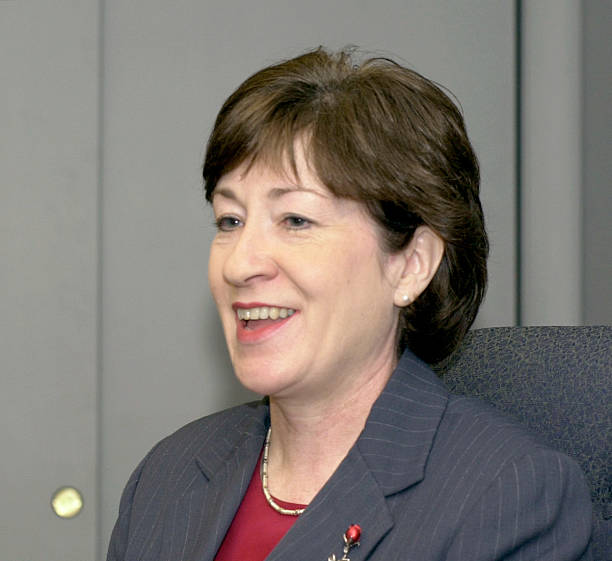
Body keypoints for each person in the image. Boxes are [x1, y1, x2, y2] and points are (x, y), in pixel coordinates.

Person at [107, 48, 593, 561]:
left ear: (411, 265)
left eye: (295, 220)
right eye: (231, 221)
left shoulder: (505, 495)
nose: (240, 264)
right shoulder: (168, 475)